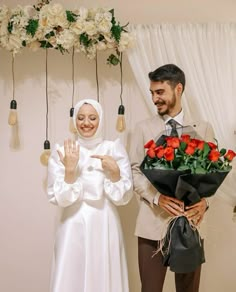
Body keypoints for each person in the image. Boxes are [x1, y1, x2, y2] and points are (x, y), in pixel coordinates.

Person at [129, 64, 215, 292]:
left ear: (178, 89)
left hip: (191, 226)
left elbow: (214, 172)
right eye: (152, 93)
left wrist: (206, 203)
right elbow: (134, 171)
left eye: (160, 92)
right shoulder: (142, 129)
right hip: (151, 226)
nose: (155, 99)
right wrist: (157, 198)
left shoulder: (204, 129)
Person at [47, 98, 133, 292]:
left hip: (105, 222)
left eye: (92, 118)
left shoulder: (113, 148)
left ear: (100, 119)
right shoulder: (62, 151)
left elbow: (124, 197)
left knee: (104, 273)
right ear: (75, 120)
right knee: (70, 274)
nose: (86, 123)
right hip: (71, 224)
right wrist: (70, 170)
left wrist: (115, 172)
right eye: (81, 118)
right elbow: (57, 197)